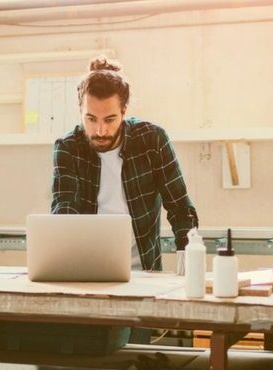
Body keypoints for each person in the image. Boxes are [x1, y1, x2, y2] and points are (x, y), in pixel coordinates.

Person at [51, 56, 199, 272]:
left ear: (124, 111)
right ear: (80, 111)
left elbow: (180, 208)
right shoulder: (68, 147)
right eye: (91, 119)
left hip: (144, 272)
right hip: (86, 272)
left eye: (110, 119)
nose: (100, 131)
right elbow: (64, 209)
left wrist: (188, 265)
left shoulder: (152, 140)